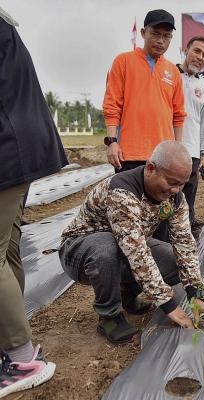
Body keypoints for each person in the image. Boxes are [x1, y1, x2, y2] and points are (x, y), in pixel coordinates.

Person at [59, 141, 204, 345]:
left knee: (172, 261)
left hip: (124, 246)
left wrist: (196, 295)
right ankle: (109, 315)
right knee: (107, 247)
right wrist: (169, 306)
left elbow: (185, 244)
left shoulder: (175, 198)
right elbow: (136, 253)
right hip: (79, 251)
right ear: (151, 168)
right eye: (171, 182)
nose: (176, 190)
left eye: (182, 184)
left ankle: (127, 295)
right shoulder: (122, 191)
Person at [0, 8, 67, 397]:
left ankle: (21, 358)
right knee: (7, 248)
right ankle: (14, 341)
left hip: (8, 146)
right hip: (22, 144)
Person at [103, 9, 185, 172]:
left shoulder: (173, 70)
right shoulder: (123, 61)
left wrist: (177, 148)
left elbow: (178, 114)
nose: (161, 41)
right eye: (155, 34)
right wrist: (112, 142)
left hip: (163, 156)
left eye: (166, 36)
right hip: (129, 154)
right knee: (127, 197)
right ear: (143, 32)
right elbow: (112, 105)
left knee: (162, 198)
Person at [177, 36, 204, 233]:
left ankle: (188, 229)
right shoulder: (170, 75)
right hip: (170, 148)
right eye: (196, 51)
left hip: (191, 152)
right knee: (167, 195)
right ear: (186, 50)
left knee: (189, 193)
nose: (200, 57)